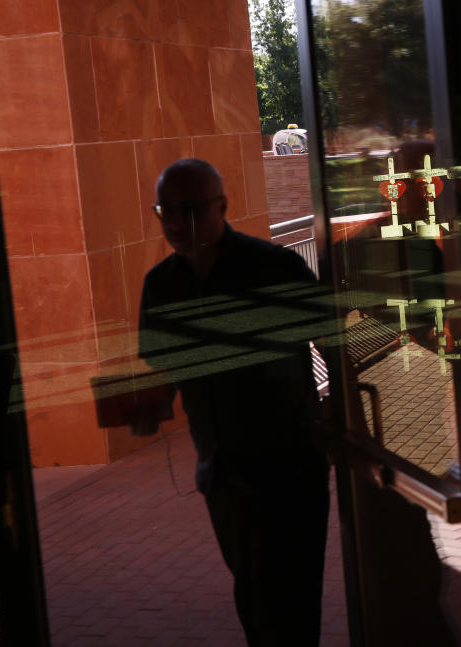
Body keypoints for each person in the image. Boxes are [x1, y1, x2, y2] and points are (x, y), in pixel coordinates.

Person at [132, 158, 329, 646]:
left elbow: (337, 339)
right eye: (166, 211)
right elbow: (167, 369)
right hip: (222, 472)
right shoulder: (161, 286)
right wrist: (147, 407)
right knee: (254, 596)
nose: (176, 224)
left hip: (290, 468)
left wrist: (347, 420)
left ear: (223, 206)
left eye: (191, 210)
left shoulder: (273, 267)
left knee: (290, 602)